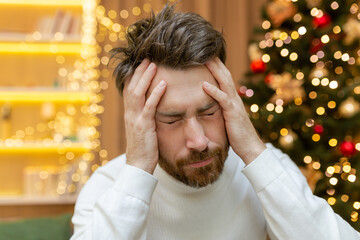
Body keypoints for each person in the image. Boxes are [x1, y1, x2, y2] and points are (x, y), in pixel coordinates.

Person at [71, 4, 360, 240]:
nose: (198, 141)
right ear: (139, 123)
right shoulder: (106, 190)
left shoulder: (268, 171)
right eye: (172, 120)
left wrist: (252, 150)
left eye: (209, 112)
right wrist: (136, 173)